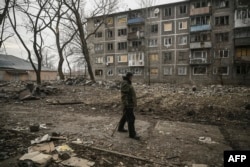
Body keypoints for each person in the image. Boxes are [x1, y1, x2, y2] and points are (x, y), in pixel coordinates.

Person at [118, 72, 140, 140]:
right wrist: (126, 104)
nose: (132, 78)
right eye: (131, 76)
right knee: (131, 119)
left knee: (125, 116)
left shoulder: (127, 82)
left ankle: (120, 128)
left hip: (129, 104)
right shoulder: (125, 83)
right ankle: (132, 134)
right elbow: (124, 96)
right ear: (129, 77)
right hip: (128, 104)